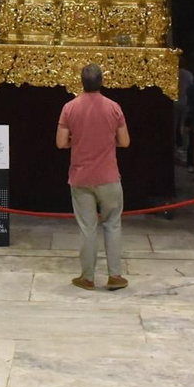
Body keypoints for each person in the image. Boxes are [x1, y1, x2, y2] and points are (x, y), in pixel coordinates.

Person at [57, 64, 130, 291]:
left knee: (87, 228)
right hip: (109, 176)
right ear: (102, 81)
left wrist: (75, 142)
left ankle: (87, 277)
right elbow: (125, 141)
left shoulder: (69, 107)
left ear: (81, 82)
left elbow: (60, 143)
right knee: (112, 225)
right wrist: (109, 142)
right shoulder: (114, 107)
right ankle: (115, 275)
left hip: (80, 177)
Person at [174, 63, 194, 161]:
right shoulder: (188, 74)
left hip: (174, 101)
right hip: (185, 101)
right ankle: (183, 147)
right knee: (183, 125)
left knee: (174, 125)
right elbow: (191, 87)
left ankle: (174, 146)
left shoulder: (174, 72)